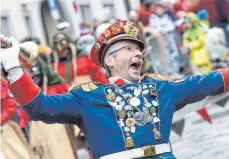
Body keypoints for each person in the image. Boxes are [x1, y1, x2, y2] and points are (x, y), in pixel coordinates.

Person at [1, 20, 229, 159]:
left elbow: (209, 82)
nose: (138, 53)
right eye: (129, 48)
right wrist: (13, 68)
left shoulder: (161, 88)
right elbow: (40, 107)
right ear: (109, 61)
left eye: (139, 49)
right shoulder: (87, 96)